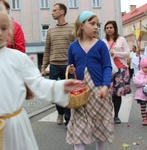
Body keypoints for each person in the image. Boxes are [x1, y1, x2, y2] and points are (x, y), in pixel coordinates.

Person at [0, 3, 85, 150]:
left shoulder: (18, 58)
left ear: (10, 31)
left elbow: (37, 83)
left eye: (3, 28)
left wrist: (60, 85)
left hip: (15, 128)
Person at [66, 11, 114, 150]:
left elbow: (107, 66)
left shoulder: (100, 45)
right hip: (80, 92)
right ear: (81, 25)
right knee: (79, 124)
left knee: (99, 124)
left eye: (97, 25)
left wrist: (105, 86)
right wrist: (71, 70)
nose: (96, 27)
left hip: (98, 90)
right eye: (92, 23)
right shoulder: (73, 47)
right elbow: (70, 68)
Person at [41, 3, 75, 126]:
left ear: (62, 12)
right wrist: (43, 67)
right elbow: (47, 50)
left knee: (67, 93)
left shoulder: (72, 29)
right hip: (54, 66)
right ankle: (59, 112)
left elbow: (76, 49)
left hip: (67, 66)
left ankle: (68, 119)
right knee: (55, 93)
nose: (52, 12)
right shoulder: (50, 31)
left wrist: (75, 65)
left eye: (54, 10)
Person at [103, 20, 131, 124]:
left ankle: (116, 116)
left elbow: (127, 53)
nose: (109, 29)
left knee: (117, 94)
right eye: (107, 28)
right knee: (108, 94)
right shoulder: (103, 41)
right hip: (108, 70)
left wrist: (115, 53)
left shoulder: (121, 39)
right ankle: (107, 115)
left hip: (121, 69)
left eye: (111, 27)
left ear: (115, 28)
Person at [133, 58, 147, 126]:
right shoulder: (138, 73)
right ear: (142, 67)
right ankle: (144, 118)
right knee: (143, 107)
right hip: (141, 95)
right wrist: (144, 82)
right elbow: (136, 82)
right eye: (145, 67)